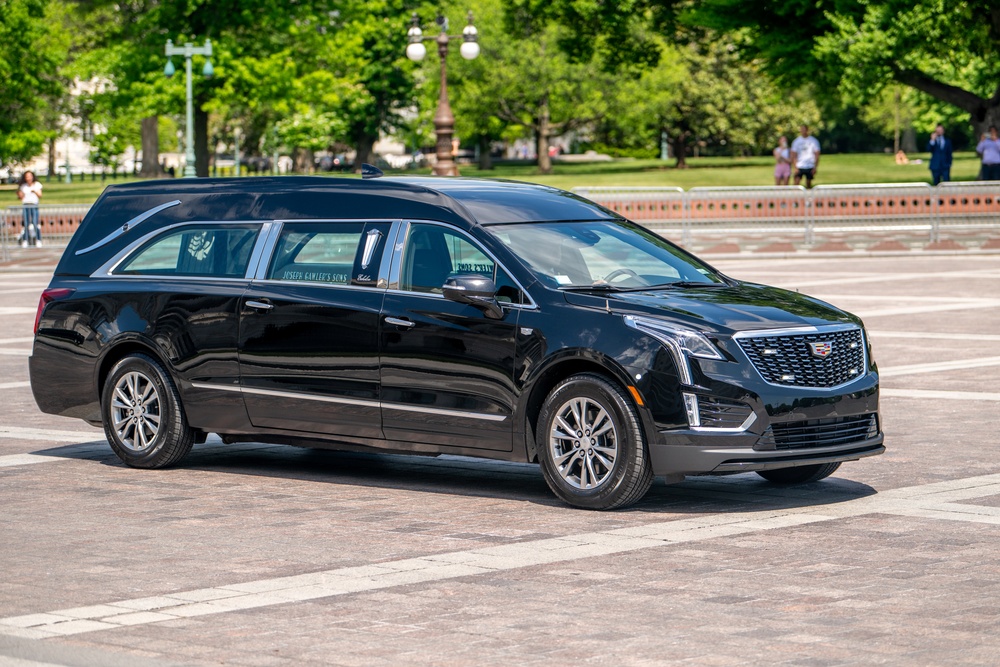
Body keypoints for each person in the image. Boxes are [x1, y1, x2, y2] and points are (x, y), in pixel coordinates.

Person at [16, 171, 43, 247]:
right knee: (26, 224)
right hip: (26, 205)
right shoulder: (23, 186)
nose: (28, 178)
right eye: (27, 176)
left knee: (35, 223)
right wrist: (19, 194)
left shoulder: (37, 185)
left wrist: (34, 191)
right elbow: (20, 197)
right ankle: (25, 240)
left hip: (34, 205)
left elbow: (40, 195)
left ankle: (38, 239)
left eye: (30, 176)